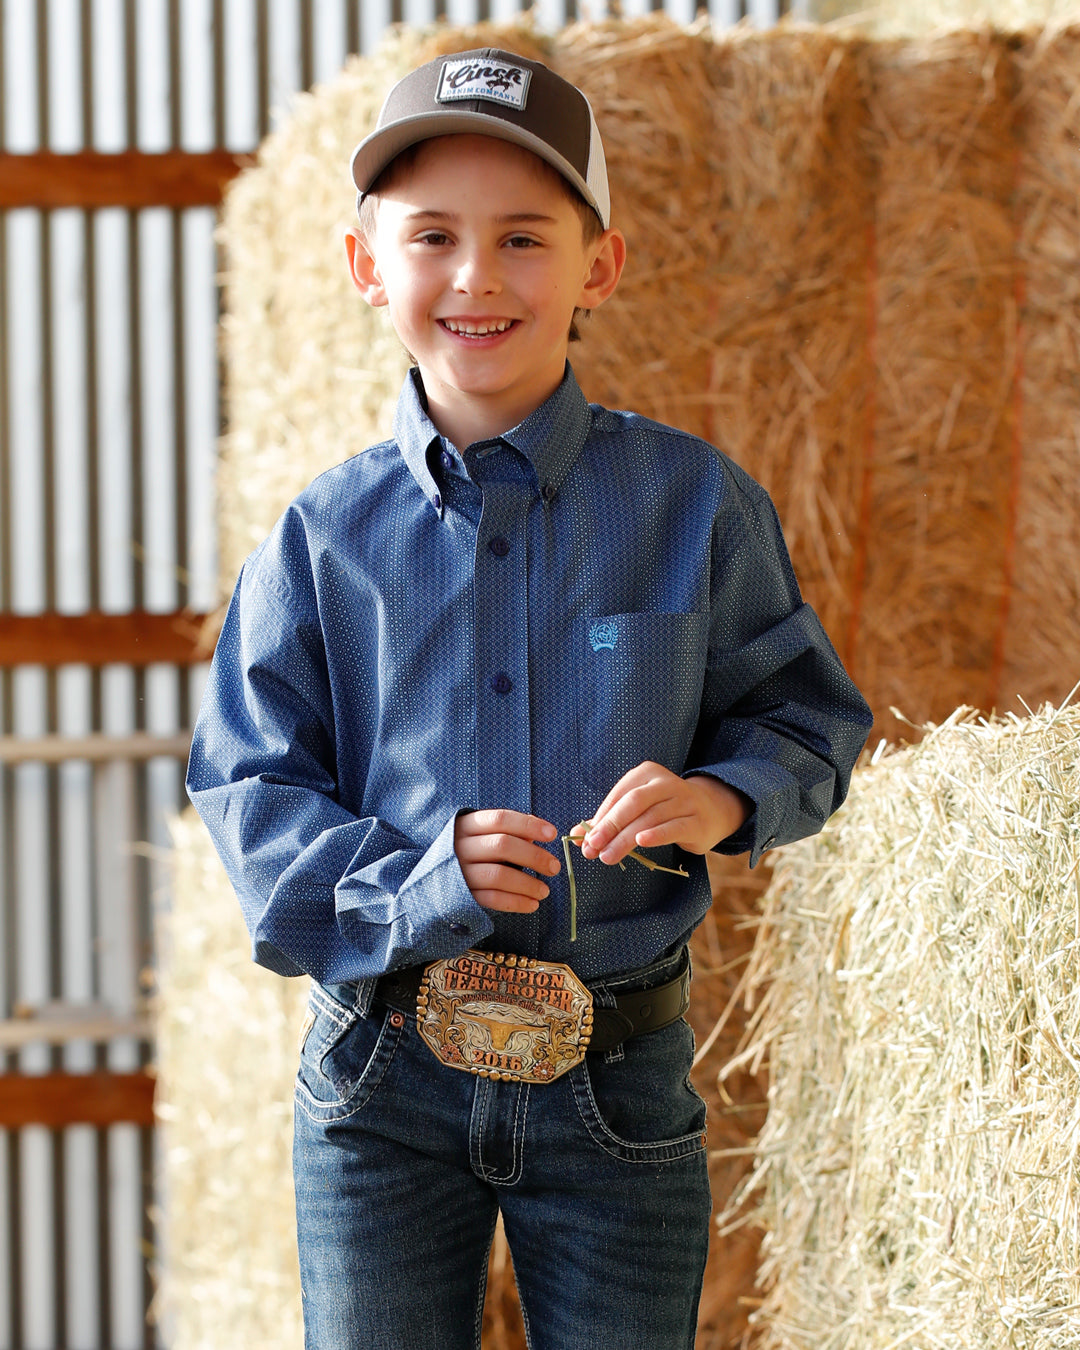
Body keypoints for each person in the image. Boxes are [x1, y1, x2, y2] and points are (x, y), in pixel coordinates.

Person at [187, 47, 873, 1350]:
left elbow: (810, 724)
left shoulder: (693, 507)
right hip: (380, 1087)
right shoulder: (318, 541)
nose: (477, 277)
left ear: (598, 267)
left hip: (618, 1077)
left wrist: (720, 796)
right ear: (364, 267)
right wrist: (417, 881)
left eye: (523, 238)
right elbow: (249, 791)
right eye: (433, 236)